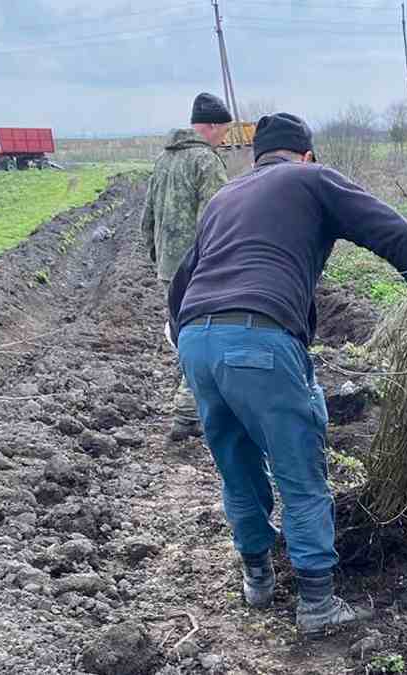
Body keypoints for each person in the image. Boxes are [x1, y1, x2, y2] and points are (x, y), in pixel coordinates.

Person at [165, 113, 407, 635]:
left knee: (236, 461)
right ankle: (318, 605)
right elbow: (393, 233)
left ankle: (257, 579)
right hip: (259, 337)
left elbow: (183, 279)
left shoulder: (224, 198)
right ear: (306, 155)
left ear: (257, 157)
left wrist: (182, 331)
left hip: (195, 340)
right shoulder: (312, 179)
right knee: (299, 470)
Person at [140, 92, 233, 444]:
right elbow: (218, 217)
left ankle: (192, 406)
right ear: (210, 127)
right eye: (223, 132)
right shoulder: (206, 162)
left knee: (183, 335)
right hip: (200, 267)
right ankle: (187, 410)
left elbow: (146, 217)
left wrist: (157, 257)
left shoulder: (164, 160)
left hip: (169, 267)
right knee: (202, 336)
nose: (224, 138)